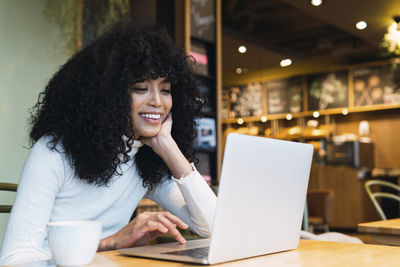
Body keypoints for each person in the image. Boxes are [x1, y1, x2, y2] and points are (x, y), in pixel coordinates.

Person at [0, 23, 217, 265]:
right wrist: (110, 242)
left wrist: (167, 146)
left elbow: (213, 226)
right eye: (141, 88)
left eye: (165, 90)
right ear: (108, 94)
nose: (157, 101)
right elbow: (15, 260)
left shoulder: (147, 160)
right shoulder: (54, 152)